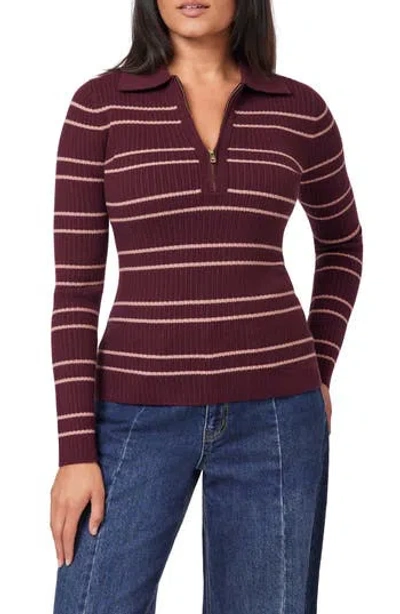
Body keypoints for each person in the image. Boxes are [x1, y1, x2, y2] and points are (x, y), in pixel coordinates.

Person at [49, 1, 363, 612]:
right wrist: (75, 450)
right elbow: (76, 293)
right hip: (133, 418)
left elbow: (343, 244)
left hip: (276, 418)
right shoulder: (99, 107)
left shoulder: (300, 110)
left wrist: (319, 366)